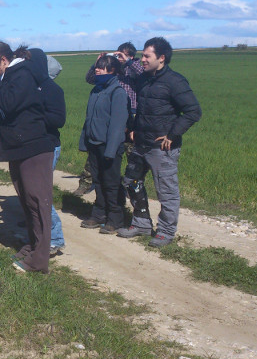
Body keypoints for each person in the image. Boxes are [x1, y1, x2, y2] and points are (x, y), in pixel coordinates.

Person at [116, 37, 202, 247]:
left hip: (162, 148)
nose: (142, 59)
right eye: (143, 55)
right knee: (131, 182)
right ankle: (142, 223)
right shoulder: (144, 79)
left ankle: (165, 231)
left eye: (147, 56)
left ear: (161, 58)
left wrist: (172, 135)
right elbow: (143, 108)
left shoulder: (175, 82)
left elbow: (193, 111)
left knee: (166, 191)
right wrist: (135, 129)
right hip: (141, 144)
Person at [0, 41, 55, 274]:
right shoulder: (7, 77)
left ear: (3, 61)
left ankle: (40, 260)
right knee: (27, 201)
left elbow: (10, 103)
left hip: (34, 146)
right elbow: (0, 112)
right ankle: (32, 246)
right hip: (18, 146)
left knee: (38, 202)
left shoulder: (24, 74)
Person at [74, 42, 143, 196]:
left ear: (131, 55)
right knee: (99, 151)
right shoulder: (111, 71)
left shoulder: (136, 67)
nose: (118, 58)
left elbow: (143, 74)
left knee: (132, 156)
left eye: (122, 55)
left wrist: (128, 62)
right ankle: (86, 182)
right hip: (111, 115)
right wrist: (98, 63)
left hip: (132, 117)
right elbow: (90, 79)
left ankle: (130, 187)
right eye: (117, 54)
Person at [78, 54, 130, 234]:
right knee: (97, 180)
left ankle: (115, 218)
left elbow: (117, 125)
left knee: (111, 182)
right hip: (94, 144)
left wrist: (110, 150)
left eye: (101, 66)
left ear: (113, 70)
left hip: (110, 146)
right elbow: (89, 119)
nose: (97, 69)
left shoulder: (118, 93)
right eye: (96, 66)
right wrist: (84, 142)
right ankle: (99, 214)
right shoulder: (97, 90)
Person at [38, 53, 66, 255]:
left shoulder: (52, 90)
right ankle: (40, 232)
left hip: (48, 145)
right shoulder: (35, 88)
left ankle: (55, 238)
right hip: (38, 145)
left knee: (42, 193)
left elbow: (57, 120)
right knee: (35, 192)